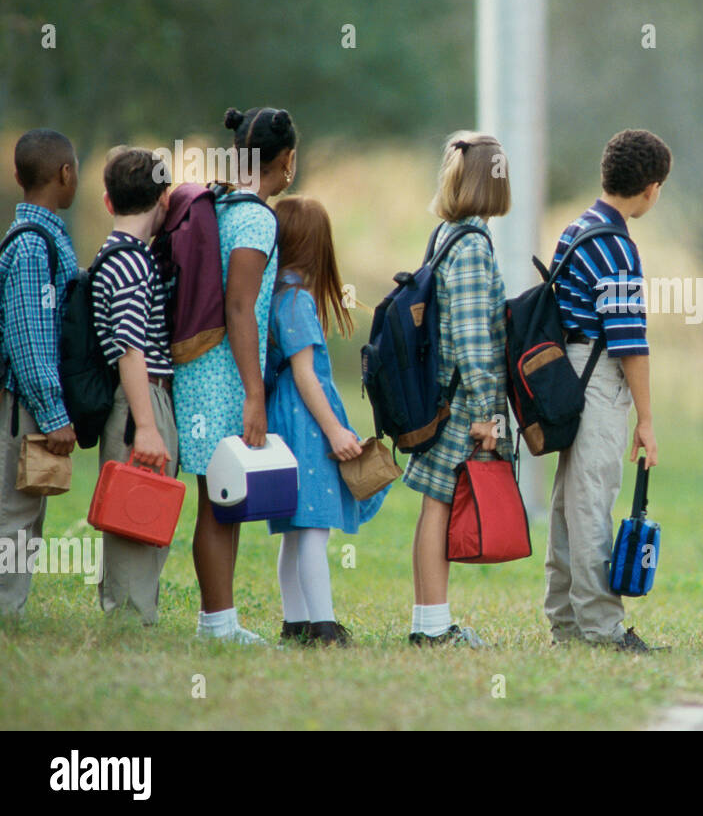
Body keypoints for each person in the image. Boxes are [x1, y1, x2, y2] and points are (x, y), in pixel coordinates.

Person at [172, 107, 295, 644]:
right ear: (286, 162)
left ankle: (217, 620)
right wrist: (254, 394)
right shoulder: (257, 218)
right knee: (220, 503)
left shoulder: (217, 204)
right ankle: (217, 625)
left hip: (197, 367)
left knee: (216, 497)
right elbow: (241, 307)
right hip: (225, 374)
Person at [544, 129, 670, 653]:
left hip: (565, 375)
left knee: (569, 503)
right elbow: (629, 343)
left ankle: (566, 622)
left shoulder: (576, 229)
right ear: (651, 189)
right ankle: (602, 628)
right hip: (597, 379)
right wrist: (645, 418)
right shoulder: (617, 247)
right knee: (592, 501)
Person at [405, 131, 511, 648]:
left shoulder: (448, 234)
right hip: (461, 400)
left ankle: (428, 622)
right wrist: (490, 413)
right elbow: (472, 337)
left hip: (444, 394)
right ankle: (432, 626)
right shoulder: (471, 245)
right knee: (440, 506)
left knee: (435, 504)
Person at [265, 196, 386, 647]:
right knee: (314, 527)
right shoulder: (296, 300)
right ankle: (324, 627)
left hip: (288, 415)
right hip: (305, 422)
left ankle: (295, 624)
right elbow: (304, 374)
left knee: (295, 531)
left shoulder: (277, 293)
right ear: (316, 246)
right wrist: (335, 429)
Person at [91, 147, 177, 624]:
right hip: (140, 401)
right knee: (134, 515)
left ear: (109, 201)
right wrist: (145, 425)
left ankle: (138, 613)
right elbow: (129, 347)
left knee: (147, 512)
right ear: (163, 198)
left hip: (146, 397)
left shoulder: (130, 256)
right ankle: (128, 620)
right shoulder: (129, 262)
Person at [0, 129, 79, 615]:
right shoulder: (33, 247)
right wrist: (52, 414)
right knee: (14, 512)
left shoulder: (41, 238)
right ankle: (6, 613)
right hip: (25, 403)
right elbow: (29, 339)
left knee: (27, 511)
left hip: (31, 401)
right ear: (65, 174)